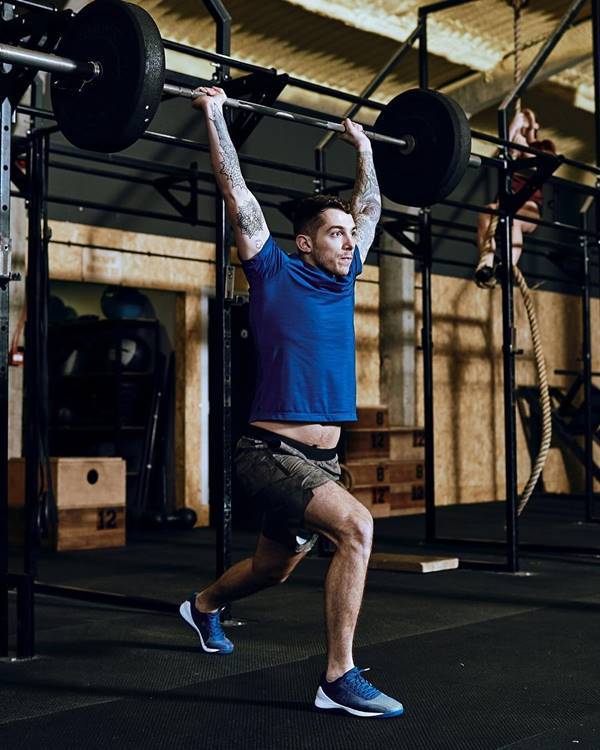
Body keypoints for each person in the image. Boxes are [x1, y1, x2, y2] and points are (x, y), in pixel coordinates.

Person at [178, 85, 403, 719]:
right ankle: (338, 677)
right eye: (335, 235)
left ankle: (202, 606)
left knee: (272, 568)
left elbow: (372, 207)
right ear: (306, 242)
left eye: (349, 235)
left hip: (323, 460)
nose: (348, 243)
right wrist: (216, 114)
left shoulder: (347, 277)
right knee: (357, 528)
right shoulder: (273, 269)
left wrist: (363, 148)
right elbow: (238, 194)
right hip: (270, 452)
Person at [475, 107, 556, 288]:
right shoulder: (511, 145)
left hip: (529, 205)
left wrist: (524, 148)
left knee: (515, 219)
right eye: (523, 119)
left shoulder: (545, 146)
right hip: (506, 201)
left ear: (536, 125)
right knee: (485, 213)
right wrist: (514, 126)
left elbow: (543, 167)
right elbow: (499, 153)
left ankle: (508, 265)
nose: (525, 121)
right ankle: (487, 262)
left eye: (529, 118)